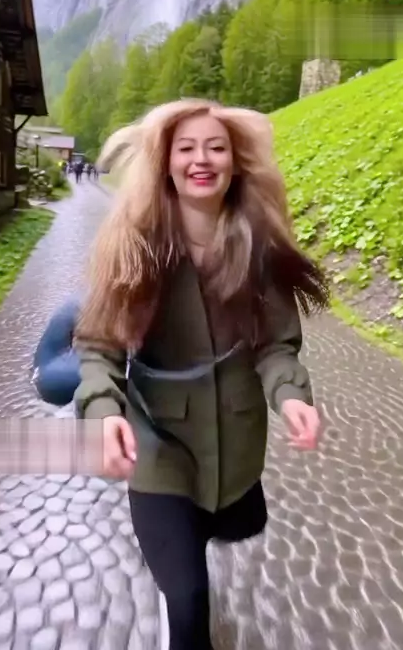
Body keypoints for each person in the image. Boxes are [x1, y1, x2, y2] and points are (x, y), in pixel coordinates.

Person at [74, 99, 329, 650]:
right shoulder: (133, 244)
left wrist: (291, 396)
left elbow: (276, 346)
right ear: (165, 162)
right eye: (186, 148)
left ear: (235, 162)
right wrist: (103, 412)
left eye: (216, 147)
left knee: (232, 524)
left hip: (234, 448)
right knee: (189, 598)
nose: (202, 159)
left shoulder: (259, 246)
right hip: (156, 445)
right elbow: (97, 346)